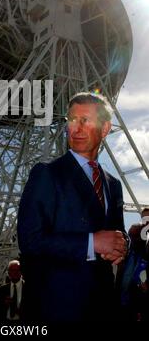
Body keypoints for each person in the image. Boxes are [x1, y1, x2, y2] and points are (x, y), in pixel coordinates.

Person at [17, 92, 128, 321]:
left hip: (102, 306)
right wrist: (91, 242)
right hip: (57, 308)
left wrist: (122, 244)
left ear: (105, 128)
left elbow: (116, 232)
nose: (75, 129)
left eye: (84, 121)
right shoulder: (47, 174)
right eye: (71, 120)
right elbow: (30, 240)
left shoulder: (113, 184)